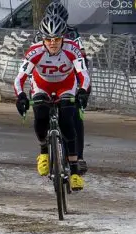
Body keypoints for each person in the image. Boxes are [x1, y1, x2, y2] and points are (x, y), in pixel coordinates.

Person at [13, 15, 90, 191]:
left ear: (63, 37)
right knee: (40, 114)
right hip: (42, 86)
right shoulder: (34, 51)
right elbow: (19, 78)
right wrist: (21, 97)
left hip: (66, 86)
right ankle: (43, 152)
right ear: (43, 39)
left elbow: (83, 74)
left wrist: (83, 91)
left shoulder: (73, 49)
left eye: (57, 39)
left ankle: (74, 170)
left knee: (67, 121)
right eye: (48, 39)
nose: (53, 43)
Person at [38, 1, 88, 174]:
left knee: (75, 116)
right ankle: (44, 146)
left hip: (70, 76)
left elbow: (82, 58)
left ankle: (78, 157)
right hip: (46, 78)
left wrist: (83, 84)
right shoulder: (42, 34)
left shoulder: (73, 34)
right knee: (39, 107)